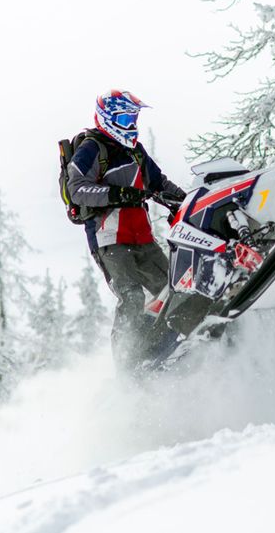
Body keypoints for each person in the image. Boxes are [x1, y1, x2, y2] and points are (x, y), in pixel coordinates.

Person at [66, 89, 186, 368]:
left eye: (133, 117)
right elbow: (77, 189)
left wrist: (189, 202)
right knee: (131, 295)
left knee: (173, 288)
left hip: (141, 236)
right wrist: (117, 194)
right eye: (123, 117)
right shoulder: (92, 148)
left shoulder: (135, 150)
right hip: (109, 239)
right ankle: (126, 364)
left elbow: (159, 184)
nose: (130, 124)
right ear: (107, 118)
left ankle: (166, 347)